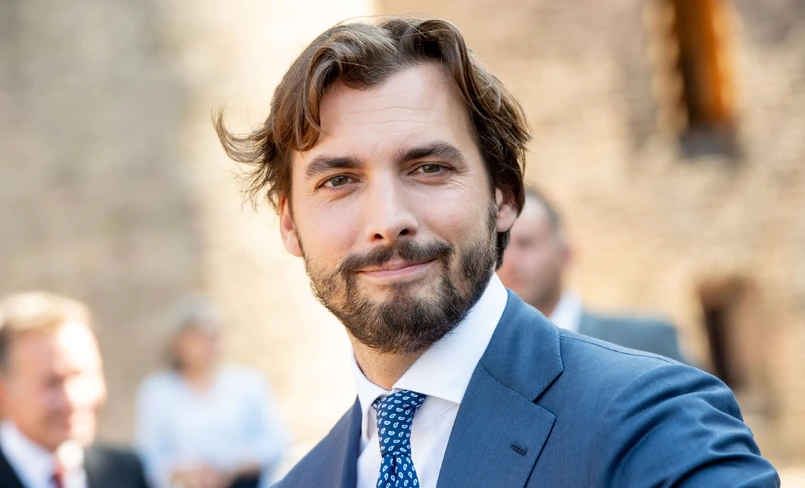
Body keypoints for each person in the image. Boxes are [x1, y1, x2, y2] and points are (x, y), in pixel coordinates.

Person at [215, 16, 779, 488]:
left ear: (503, 197)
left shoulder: (652, 425)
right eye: (338, 180)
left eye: (428, 168)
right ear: (289, 224)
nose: (387, 221)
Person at [497, 187, 687, 362]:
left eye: (526, 243)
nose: (509, 261)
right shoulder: (491, 357)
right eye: (500, 246)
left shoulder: (645, 343)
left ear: (565, 254)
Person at [0, 291, 149, 488]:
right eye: (52, 383)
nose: (73, 399)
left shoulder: (125, 472)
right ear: (4, 392)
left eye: (81, 375)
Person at [135, 297, 286, 488]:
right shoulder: (157, 391)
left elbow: (275, 442)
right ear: (177, 343)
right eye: (198, 337)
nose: (208, 345)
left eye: (213, 337)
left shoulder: (248, 383)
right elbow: (151, 456)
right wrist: (185, 473)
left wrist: (232, 468)